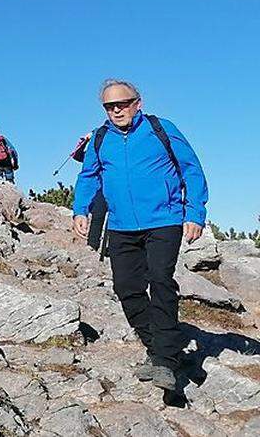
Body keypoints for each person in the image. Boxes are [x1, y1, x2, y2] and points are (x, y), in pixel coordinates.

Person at [71, 79, 208, 391]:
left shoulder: (162, 129)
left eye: (122, 103)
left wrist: (195, 213)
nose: (116, 109)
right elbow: (89, 175)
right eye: (109, 106)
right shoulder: (100, 138)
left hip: (164, 219)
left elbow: (192, 170)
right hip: (120, 226)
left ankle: (164, 361)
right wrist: (80, 209)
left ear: (138, 102)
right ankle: (163, 350)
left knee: (160, 280)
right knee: (127, 289)